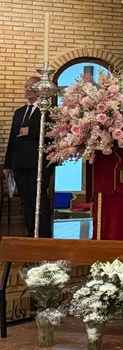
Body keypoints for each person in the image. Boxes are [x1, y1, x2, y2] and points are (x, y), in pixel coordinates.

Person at [4, 76, 53, 238]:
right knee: (25, 199)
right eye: (26, 87)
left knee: (37, 197)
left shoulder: (49, 111)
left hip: (38, 162)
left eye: (31, 87)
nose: (27, 90)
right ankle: (30, 231)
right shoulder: (19, 113)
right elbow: (13, 138)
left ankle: (44, 232)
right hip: (20, 162)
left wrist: (31, 132)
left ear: (40, 89)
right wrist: (7, 164)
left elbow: (53, 135)